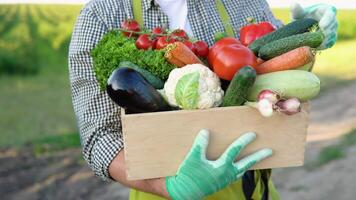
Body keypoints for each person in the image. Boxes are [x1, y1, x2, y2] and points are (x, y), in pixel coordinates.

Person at [69, 0, 337, 199]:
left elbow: (282, 74)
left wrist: (308, 37)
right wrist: (173, 188)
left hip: (250, 189)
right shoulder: (101, 15)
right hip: (161, 192)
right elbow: (99, 136)